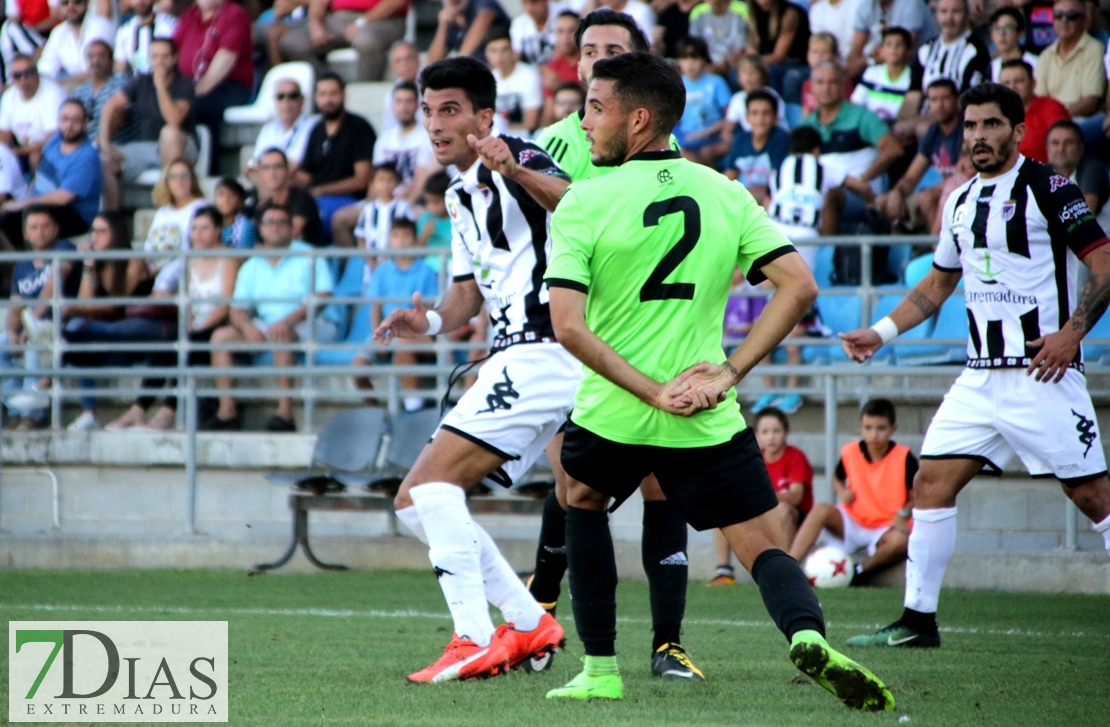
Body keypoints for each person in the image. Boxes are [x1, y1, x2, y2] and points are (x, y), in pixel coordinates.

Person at [542, 51, 893, 709]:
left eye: (596, 107)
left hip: (616, 409)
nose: (584, 122)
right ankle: (808, 635)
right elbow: (800, 286)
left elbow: (568, 327)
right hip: (705, 410)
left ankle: (599, 668)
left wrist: (649, 391)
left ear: (638, 118)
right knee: (761, 543)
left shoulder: (584, 199)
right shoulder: (726, 191)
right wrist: (730, 371)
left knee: (579, 497)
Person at [841, 83, 1110, 649]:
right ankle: (918, 621)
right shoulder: (960, 201)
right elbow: (938, 284)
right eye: (970, 127)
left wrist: (1071, 333)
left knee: (1093, 498)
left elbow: (1104, 264)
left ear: (1016, 131)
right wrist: (880, 332)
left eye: (991, 125)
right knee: (930, 484)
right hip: (980, 375)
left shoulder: (1050, 188)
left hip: (1042, 372)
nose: (979, 137)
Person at [373, 55, 571, 684]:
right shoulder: (458, 194)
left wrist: (513, 168)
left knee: (433, 488)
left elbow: (579, 205)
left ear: (485, 117)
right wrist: (426, 323)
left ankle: (473, 637)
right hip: (513, 353)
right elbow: (465, 298)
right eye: (429, 111)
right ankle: (527, 622)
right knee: (414, 501)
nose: (435, 124)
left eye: (450, 110)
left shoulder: (518, 155)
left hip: (547, 349)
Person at [531, 9, 701, 683]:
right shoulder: (549, 141)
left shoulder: (662, 145)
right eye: (590, 50)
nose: (599, 58)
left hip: (642, 333)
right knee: (574, 481)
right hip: (571, 331)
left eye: (614, 51)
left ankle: (668, 644)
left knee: (658, 485)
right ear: (574, 64)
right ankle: (539, 610)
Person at [205, 202, 337, 432]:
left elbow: (323, 297)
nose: (275, 227)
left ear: (291, 227)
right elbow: (237, 309)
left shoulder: (308, 254)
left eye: (281, 222)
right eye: (269, 222)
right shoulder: (252, 265)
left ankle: (285, 414)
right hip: (269, 324)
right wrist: (247, 328)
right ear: (260, 228)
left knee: (281, 334)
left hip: (312, 322)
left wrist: (285, 322)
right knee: (220, 337)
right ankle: (228, 412)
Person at [788, 398, 916, 585]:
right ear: (861, 428)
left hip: (885, 526)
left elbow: (917, 496)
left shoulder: (904, 457)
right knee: (821, 509)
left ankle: (858, 572)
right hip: (853, 519)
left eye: (881, 428)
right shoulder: (851, 451)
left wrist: (902, 514)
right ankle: (788, 568)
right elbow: (835, 476)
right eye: (868, 428)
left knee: (900, 542)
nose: (874, 434)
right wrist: (842, 490)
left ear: (892, 430)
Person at [62, 211, 150, 431]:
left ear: (117, 233)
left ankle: (45, 380)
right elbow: (85, 304)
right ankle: (89, 412)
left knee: (72, 331)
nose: (95, 237)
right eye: (93, 231)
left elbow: (117, 306)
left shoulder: (134, 261)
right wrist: (89, 267)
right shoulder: (96, 263)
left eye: (102, 231)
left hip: (131, 333)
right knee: (74, 336)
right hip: (100, 333)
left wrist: (73, 309)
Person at [709, 406, 813, 585]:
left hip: (794, 519)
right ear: (756, 435)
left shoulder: (795, 457)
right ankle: (724, 571)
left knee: (784, 509)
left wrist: (763, 496)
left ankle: (786, 571)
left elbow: (796, 497)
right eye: (765, 432)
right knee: (723, 507)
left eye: (776, 431)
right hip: (761, 511)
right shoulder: (753, 458)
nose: (771, 437)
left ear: (786, 432)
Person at [1, 206, 82, 429]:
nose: (40, 232)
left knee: (36, 341)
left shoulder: (65, 248)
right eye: (34, 227)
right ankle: (15, 408)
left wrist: (32, 324)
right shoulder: (23, 265)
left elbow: (52, 287)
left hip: (60, 323)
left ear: (56, 229)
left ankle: (32, 415)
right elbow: (16, 305)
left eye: (46, 226)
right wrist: (11, 332)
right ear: (26, 233)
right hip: (34, 324)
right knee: (2, 347)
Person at [802, 62, 900, 236]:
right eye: (820, 82)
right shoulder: (806, 124)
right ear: (812, 88)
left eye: (832, 82)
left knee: (830, 196)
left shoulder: (861, 116)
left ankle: (827, 256)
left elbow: (893, 149)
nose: (826, 88)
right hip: (815, 193)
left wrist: (863, 178)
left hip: (859, 196)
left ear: (842, 86)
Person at [99, 37, 197, 211]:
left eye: (164, 57)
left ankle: (170, 204)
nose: (159, 62)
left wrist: (160, 87)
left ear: (174, 58)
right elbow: (111, 106)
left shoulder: (185, 83)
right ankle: (112, 220)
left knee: (169, 132)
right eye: (155, 57)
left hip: (181, 146)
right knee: (103, 160)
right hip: (145, 147)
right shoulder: (142, 80)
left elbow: (173, 119)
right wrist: (106, 143)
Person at [352, 218, 438, 411]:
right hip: (385, 329)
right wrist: (378, 333)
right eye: (396, 236)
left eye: (406, 236)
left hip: (415, 332)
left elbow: (430, 308)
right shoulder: (381, 271)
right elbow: (375, 308)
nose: (401, 241)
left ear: (415, 240)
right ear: (390, 240)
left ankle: (413, 407)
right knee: (358, 366)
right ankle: (374, 413)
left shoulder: (427, 271)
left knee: (402, 344)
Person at [0, 99, 102, 250]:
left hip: (73, 215)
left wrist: (21, 204)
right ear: (58, 121)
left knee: (6, 224)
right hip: (38, 204)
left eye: (76, 120)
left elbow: (63, 198)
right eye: (65, 119)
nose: (69, 125)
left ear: (85, 123)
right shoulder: (55, 139)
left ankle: (12, 268)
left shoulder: (87, 156)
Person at [293, 72, 376, 239]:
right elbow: (307, 175)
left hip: (349, 199)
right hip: (317, 197)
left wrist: (321, 190)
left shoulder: (359, 127)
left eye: (333, 93)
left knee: (312, 215)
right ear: (316, 98)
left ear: (344, 94)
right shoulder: (316, 129)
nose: (328, 100)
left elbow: (362, 180)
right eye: (323, 94)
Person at [873, 79, 962, 233]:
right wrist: (897, 192)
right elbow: (911, 177)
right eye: (934, 100)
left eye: (945, 98)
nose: (939, 105)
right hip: (939, 192)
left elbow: (962, 175)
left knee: (927, 198)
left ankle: (938, 251)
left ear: (956, 100)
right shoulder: (934, 131)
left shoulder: (966, 129)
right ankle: (901, 253)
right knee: (883, 202)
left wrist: (924, 192)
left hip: (961, 193)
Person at [173, 0, 253, 159]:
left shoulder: (234, 14)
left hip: (229, 86)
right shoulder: (189, 15)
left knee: (199, 106)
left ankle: (209, 163)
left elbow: (223, 63)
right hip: (190, 85)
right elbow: (173, 52)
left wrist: (190, 95)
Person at [278, 0, 407, 82]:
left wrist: (362, 22)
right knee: (291, 42)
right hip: (339, 18)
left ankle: (365, 93)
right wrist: (315, 24)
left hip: (384, 19)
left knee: (365, 41)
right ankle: (330, 87)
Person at [1034, 0, 1105, 146]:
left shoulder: (1094, 49)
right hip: (1051, 121)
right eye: (1059, 15)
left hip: (1081, 120)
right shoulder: (1046, 55)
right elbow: (1039, 100)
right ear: (1052, 21)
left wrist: (1058, 117)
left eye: (1071, 15)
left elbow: (1090, 102)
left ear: (1084, 20)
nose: (1064, 20)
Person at [720, 90, 789, 207]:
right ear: (747, 117)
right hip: (746, 199)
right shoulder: (740, 140)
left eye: (766, 113)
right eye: (754, 113)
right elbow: (729, 177)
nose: (760, 120)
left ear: (775, 117)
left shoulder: (780, 138)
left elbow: (773, 185)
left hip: (772, 198)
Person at [0, 54, 65, 173]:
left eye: (28, 73)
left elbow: (53, 138)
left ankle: (37, 190)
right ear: (11, 78)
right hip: (21, 150)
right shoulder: (9, 96)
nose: (23, 79)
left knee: (35, 157)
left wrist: (17, 152)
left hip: (51, 149)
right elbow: (4, 134)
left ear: (37, 73)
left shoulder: (52, 94)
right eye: (17, 75)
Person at [141, 159, 206, 278]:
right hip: (155, 266)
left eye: (184, 176)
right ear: (167, 182)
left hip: (183, 264)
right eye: (174, 177)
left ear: (192, 180)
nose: (179, 181)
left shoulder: (200, 208)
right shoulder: (162, 212)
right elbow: (150, 244)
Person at [246, 147, 324, 247]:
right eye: (266, 167)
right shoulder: (254, 199)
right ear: (259, 172)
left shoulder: (302, 198)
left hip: (306, 257)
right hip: (269, 258)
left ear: (287, 170)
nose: (272, 173)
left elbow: (290, 234)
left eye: (278, 167)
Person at [997, 59, 1070, 165]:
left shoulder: (1052, 108)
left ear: (1033, 83)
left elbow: (1063, 152)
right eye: (1006, 83)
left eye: (1018, 81)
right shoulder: (994, 115)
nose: (1012, 87)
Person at [910, 0, 989, 97]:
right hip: (925, 110)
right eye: (943, 11)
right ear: (936, 16)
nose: (949, 18)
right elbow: (912, 96)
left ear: (967, 15)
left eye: (956, 11)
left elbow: (970, 99)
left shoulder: (975, 51)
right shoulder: (925, 49)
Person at [847, 0, 939, 80]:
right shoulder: (866, 5)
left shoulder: (911, 3)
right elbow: (856, 49)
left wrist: (867, 61)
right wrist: (851, 65)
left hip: (921, 65)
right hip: (884, 62)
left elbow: (905, 50)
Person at [674, 35, 730, 165]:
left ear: (704, 60)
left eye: (695, 58)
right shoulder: (677, 85)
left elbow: (730, 115)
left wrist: (709, 131)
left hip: (713, 137)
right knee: (682, 154)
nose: (690, 63)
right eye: (684, 58)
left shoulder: (716, 82)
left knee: (706, 152)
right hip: (686, 139)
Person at [373, 81, 435, 197]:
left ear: (418, 105)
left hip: (417, 200)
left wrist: (404, 207)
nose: (404, 107)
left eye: (409, 101)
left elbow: (422, 177)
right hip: (386, 198)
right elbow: (377, 176)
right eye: (399, 101)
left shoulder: (427, 135)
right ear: (392, 105)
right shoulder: (385, 138)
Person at [36, 0, 115, 86]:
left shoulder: (101, 25)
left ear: (87, 4)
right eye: (65, 3)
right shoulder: (58, 33)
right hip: (72, 87)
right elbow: (45, 70)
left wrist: (63, 81)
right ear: (59, 8)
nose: (71, 7)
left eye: (77, 2)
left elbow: (96, 71)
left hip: (103, 86)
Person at [247, 78, 316, 175]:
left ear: (302, 99)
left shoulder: (313, 126)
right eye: (281, 97)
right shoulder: (268, 129)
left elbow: (296, 165)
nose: (286, 102)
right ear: (275, 101)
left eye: (293, 96)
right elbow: (254, 164)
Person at [850, 26, 918, 124]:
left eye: (899, 45)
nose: (893, 49)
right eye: (888, 45)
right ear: (881, 50)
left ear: (908, 50)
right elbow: (856, 104)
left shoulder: (913, 77)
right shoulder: (872, 73)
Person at [1046, 120, 1110, 216]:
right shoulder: (1039, 174)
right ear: (1047, 148)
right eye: (1055, 143)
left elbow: (1085, 212)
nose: (1061, 149)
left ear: (1081, 148)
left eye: (1068, 143)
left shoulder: (1093, 169)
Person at [486, 30, 543, 135]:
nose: (499, 56)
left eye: (504, 50)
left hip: (523, 135)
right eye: (493, 51)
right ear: (487, 54)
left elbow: (531, 123)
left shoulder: (528, 75)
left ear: (513, 52)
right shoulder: (489, 78)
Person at [71, 40, 126, 142]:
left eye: (101, 56)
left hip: (116, 143)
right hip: (84, 146)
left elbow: (121, 116)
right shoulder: (81, 91)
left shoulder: (122, 85)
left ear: (111, 60)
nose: (95, 61)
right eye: (91, 57)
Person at [427, 0, 512, 64]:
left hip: (503, 70)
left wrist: (459, 63)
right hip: (475, 74)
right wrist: (442, 26)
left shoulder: (483, 3)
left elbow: (482, 21)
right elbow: (434, 62)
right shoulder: (451, 22)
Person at [113, 0, 177, 76]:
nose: (140, 1)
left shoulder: (170, 26)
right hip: (137, 83)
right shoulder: (124, 31)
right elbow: (119, 69)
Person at [687, 0, 747, 73]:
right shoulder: (698, 12)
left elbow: (741, 47)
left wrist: (727, 62)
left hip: (733, 65)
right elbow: (694, 46)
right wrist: (706, 66)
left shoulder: (741, 10)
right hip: (705, 66)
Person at [988, 6, 1039, 82]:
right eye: (997, 29)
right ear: (991, 36)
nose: (1002, 34)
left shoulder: (1036, 63)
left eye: (1008, 28)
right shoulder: (992, 67)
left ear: (1020, 34)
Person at [511, 0, 564, 65]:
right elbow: (517, 55)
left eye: (534, 2)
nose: (529, 8)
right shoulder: (518, 24)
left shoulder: (564, 15)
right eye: (525, 3)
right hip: (531, 72)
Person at [214, 177, 256, 249]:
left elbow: (242, 255)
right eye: (221, 195)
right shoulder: (210, 223)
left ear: (241, 201)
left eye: (231, 195)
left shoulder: (246, 226)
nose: (226, 200)